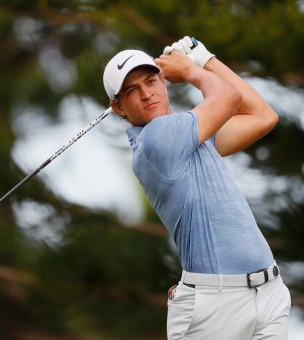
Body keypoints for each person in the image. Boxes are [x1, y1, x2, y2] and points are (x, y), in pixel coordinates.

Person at [103, 36, 291, 340]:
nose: (146, 94)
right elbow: (228, 98)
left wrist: (206, 59)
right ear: (118, 107)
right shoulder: (156, 140)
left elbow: (263, 116)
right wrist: (192, 70)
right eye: (131, 91)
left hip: (268, 293)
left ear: (163, 82)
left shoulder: (193, 134)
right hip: (216, 307)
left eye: (151, 81)